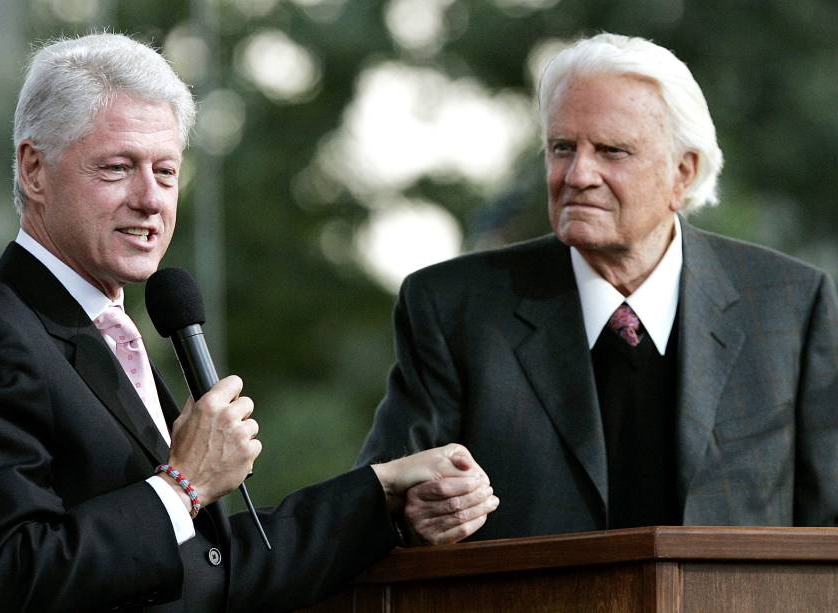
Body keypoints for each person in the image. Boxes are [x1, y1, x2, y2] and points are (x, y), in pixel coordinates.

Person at [0, 33, 499, 613]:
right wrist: (182, 486)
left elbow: (213, 570)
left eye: (166, 172)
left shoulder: (102, 329)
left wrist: (385, 494)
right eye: (118, 167)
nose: (151, 199)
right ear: (35, 170)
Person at [357, 33, 838, 542]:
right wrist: (418, 515)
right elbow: (376, 505)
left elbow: (828, 518)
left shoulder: (790, 304)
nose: (578, 174)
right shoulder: (453, 306)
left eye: (612, 151)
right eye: (562, 148)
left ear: (683, 172)